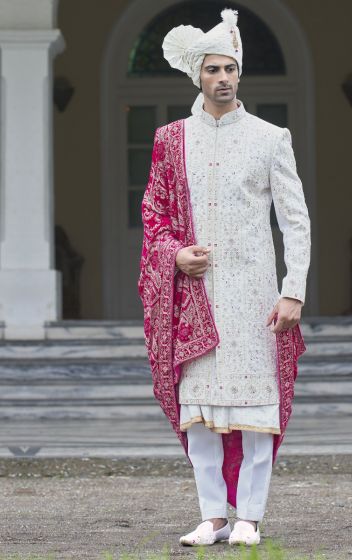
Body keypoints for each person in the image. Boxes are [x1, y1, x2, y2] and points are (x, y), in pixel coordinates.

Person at [138, 8, 311, 547]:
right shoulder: (171, 140)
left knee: (257, 414)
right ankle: (213, 516)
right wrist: (173, 256)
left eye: (230, 69)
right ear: (199, 76)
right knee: (201, 416)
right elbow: (154, 215)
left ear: (239, 74)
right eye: (212, 69)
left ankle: (249, 518)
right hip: (194, 300)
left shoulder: (268, 137)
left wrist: (293, 290)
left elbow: (295, 219)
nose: (222, 78)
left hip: (255, 295)